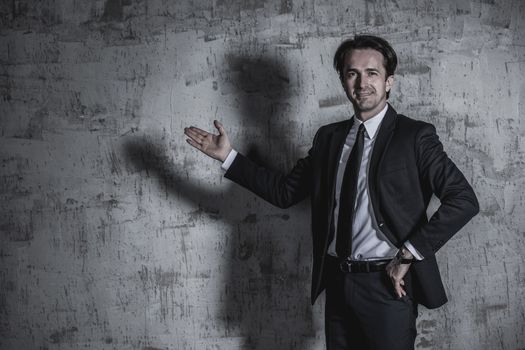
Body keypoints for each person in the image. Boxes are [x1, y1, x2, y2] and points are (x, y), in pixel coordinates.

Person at [184, 35, 479, 350]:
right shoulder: (329, 139)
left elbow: (463, 200)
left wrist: (409, 253)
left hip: (388, 285)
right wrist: (229, 157)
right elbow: (286, 193)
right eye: (352, 73)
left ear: (389, 81)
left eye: (372, 73)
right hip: (338, 283)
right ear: (343, 80)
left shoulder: (415, 136)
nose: (362, 82)